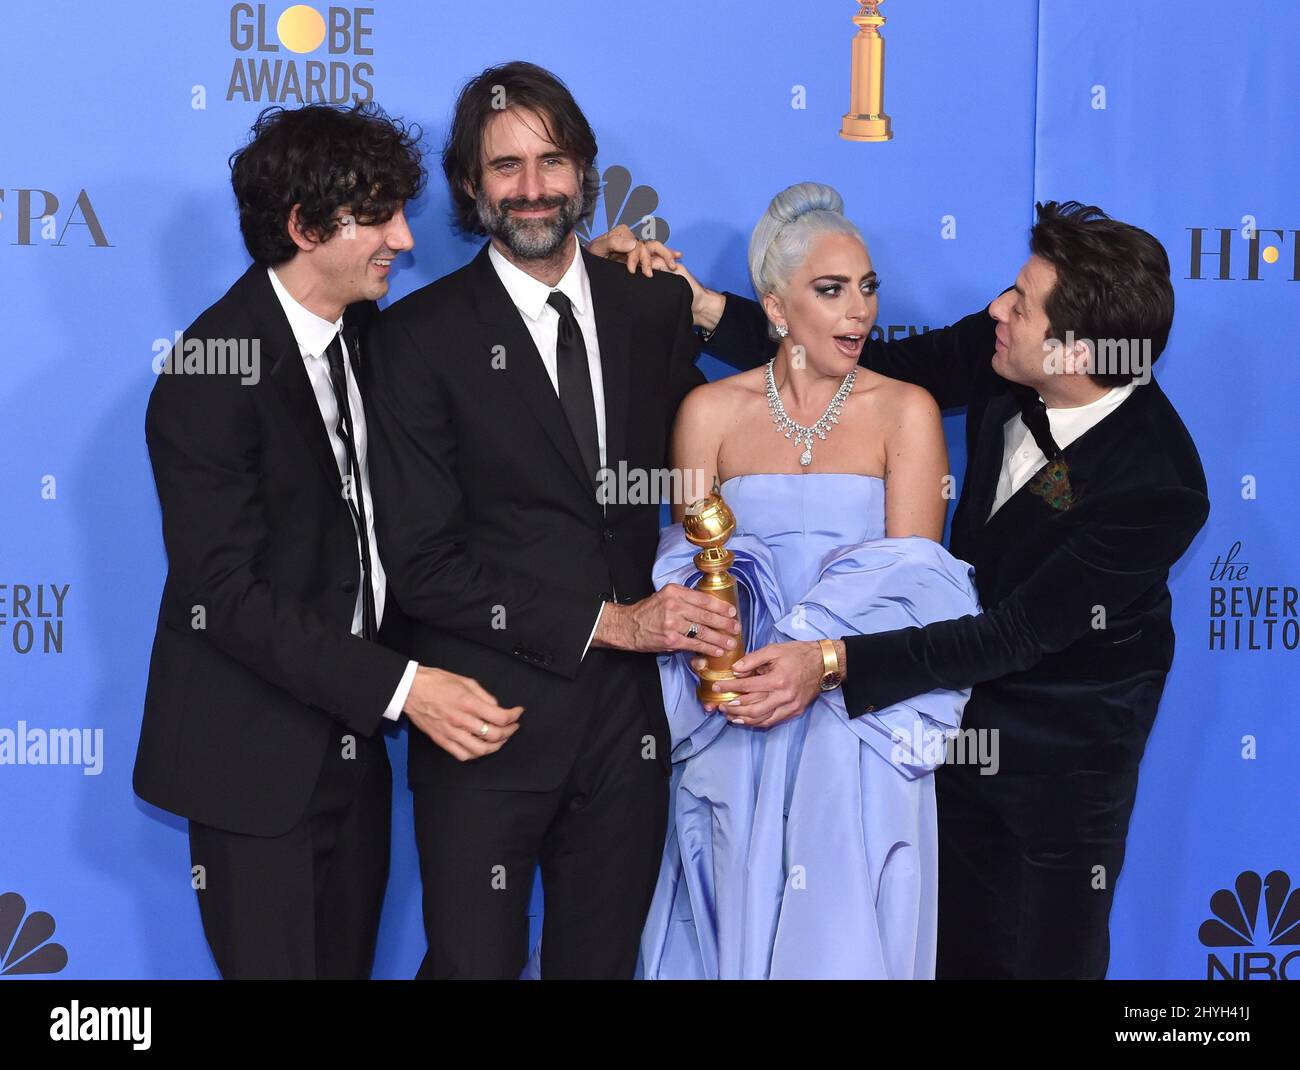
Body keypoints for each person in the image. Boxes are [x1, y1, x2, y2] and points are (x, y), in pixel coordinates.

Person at [657, 199, 1210, 979]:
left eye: (1020, 303)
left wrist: (828, 660)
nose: (996, 308)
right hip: (931, 727)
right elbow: (849, 360)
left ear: (1072, 352)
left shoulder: (1160, 484)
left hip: (1058, 765)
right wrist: (707, 307)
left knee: (1037, 960)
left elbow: (1013, 634)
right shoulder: (1003, 355)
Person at [364, 61, 735, 980]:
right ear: (468, 185)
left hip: (628, 730)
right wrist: (616, 623)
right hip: (486, 719)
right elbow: (423, 563)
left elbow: (791, 373)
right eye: (505, 167)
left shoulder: (650, 305)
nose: (532, 189)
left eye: (553, 161)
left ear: (585, 172)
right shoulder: (414, 339)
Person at [133, 102, 520, 980]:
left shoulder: (370, 337)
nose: (405, 241)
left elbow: (489, 332)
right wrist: (407, 688)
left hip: (355, 754)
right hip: (253, 766)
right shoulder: (208, 373)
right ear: (305, 227)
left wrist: (605, 271)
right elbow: (222, 595)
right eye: (379, 218)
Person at [637, 183, 980, 979]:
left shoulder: (908, 412)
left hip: (854, 726)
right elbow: (694, 580)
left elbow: (913, 590)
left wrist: (810, 663)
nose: (857, 311)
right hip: (737, 725)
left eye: (866, 288)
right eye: (831, 290)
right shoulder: (708, 415)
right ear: (777, 308)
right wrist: (725, 664)